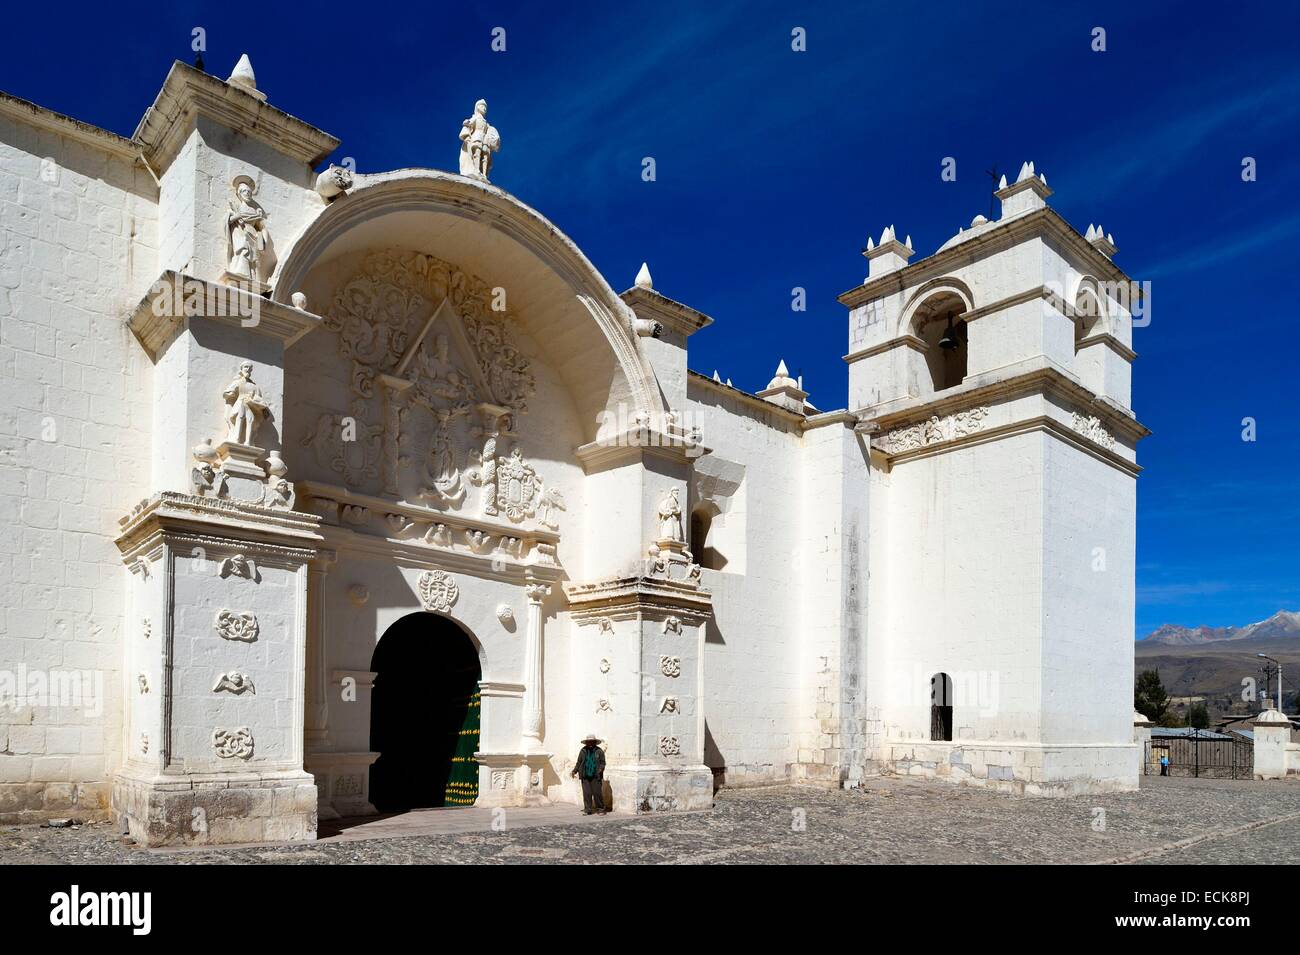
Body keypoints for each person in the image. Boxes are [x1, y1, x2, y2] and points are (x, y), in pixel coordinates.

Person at [570, 732, 607, 814]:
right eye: (588, 742)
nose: (590, 743)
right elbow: (579, 762)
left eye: (592, 742)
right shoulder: (583, 751)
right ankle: (588, 809)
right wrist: (574, 771)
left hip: (595, 775)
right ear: (586, 742)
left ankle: (601, 809)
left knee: (597, 793)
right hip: (585, 775)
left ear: (594, 742)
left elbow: (603, 762)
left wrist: (601, 769)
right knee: (587, 793)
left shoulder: (599, 751)